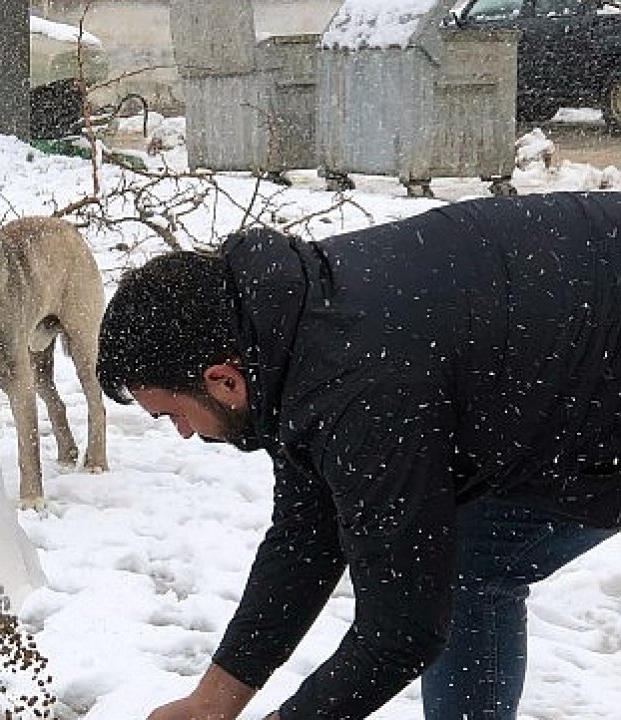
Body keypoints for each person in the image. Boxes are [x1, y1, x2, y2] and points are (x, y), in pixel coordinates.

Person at [95, 191, 621, 719]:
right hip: (574, 349)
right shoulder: (287, 325)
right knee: (471, 562)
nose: (184, 433)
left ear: (223, 380)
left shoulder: (360, 388)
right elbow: (308, 532)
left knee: (463, 565)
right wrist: (210, 703)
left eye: (172, 415)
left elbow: (402, 630)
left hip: (596, 371)